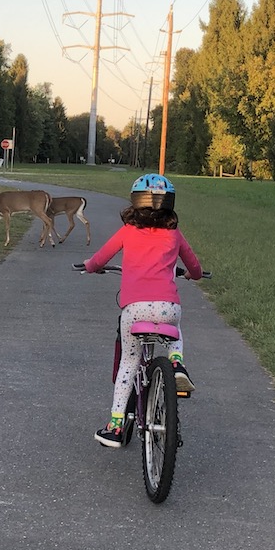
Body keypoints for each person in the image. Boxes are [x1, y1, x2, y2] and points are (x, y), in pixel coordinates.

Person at [82, 173, 203, 448]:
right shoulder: (174, 234)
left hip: (135, 310)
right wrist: (193, 275)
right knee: (176, 328)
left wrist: (91, 266)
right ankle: (176, 362)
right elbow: (194, 267)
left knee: (129, 362)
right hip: (168, 308)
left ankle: (114, 426)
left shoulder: (127, 231)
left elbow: (101, 258)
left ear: (135, 202)